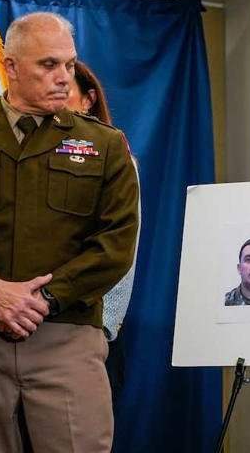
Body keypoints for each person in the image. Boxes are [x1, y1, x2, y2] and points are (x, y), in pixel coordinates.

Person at [0, 12, 139, 452]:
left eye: (69, 65)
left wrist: (43, 299)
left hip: (66, 335)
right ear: (12, 66)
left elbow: (116, 244)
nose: (64, 77)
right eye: (48, 64)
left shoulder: (105, 145)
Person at [66, 59, 140, 408]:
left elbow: (121, 248)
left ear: (88, 99)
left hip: (90, 331)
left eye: (65, 90)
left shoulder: (113, 157)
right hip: (37, 332)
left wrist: (104, 326)